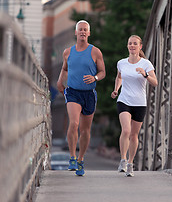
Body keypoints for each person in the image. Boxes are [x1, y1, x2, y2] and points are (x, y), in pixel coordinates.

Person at [56, 20, 106, 176]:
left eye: (85, 30)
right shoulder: (67, 52)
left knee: (85, 130)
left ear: (89, 33)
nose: (83, 32)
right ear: (76, 33)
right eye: (80, 30)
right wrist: (59, 81)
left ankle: (80, 159)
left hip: (89, 94)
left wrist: (95, 78)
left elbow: (102, 72)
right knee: (74, 123)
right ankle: (71, 157)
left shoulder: (95, 52)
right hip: (72, 92)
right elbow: (64, 69)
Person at [111, 35, 158, 177]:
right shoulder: (121, 63)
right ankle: (123, 160)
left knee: (134, 134)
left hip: (139, 103)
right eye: (130, 43)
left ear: (140, 47)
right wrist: (116, 89)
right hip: (124, 100)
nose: (132, 46)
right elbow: (119, 77)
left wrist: (145, 75)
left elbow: (155, 82)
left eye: (135, 44)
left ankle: (131, 163)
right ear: (127, 46)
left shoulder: (146, 64)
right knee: (126, 130)